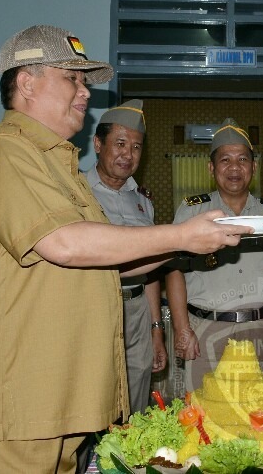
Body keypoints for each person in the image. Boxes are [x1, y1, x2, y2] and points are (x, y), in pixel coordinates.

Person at [0, 25, 251, 474]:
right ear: (26, 83)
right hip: (11, 397)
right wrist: (181, 236)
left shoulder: (57, 167)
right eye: (73, 78)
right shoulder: (3, 152)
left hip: (52, 396)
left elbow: (113, 264)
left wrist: (200, 238)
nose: (85, 92)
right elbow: (63, 243)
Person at [166, 118, 263, 392]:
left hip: (259, 329)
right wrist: (182, 329)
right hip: (205, 328)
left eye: (243, 160)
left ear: (254, 167)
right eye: (225, 160)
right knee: (201, 417)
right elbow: (174, 271)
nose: (234, 167)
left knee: (260, 415)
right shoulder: (192, 212)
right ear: (212, 168)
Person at [84, 99, 167, 414]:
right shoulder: (77, 192)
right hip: (93, 306)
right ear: (97, 144)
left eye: (136, 147)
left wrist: (156, 329)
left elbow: (151, 273)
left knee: (134, 401)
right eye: (119, 143)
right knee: (92, 402)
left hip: (136, 311)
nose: (127, 154)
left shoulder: (143, 201)